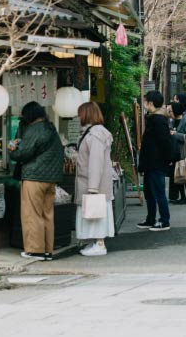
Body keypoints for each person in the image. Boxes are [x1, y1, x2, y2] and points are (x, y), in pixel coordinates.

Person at [9, 101, 64, 260]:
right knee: (47, 214)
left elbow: (23, 154)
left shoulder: (34, 129)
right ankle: (47, 250)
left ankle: (35, 250)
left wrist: (12, 149)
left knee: (32, 214)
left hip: (34, 177)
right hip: (51, 179)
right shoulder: (50, 128)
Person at [74, 101, 115, 257]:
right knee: (94, 213)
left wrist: (93, 187)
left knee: (96, 213)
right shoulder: (94, 132)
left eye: (80, 113)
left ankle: (100, 244)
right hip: (92, 182)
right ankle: (96, 242)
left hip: (94, 184)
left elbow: (95, 161)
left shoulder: (95, 134)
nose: (78, 117)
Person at [137, 90, 173, 231]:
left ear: (150, 103)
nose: (144, 104)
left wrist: (167, 159)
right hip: (150, 162)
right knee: (149, 193)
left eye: (145, 101)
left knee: (158, 192)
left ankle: (164, 221)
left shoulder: (158, 120)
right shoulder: (153, 117)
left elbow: (165, 142)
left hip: (156, 162)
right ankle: (150, 219)